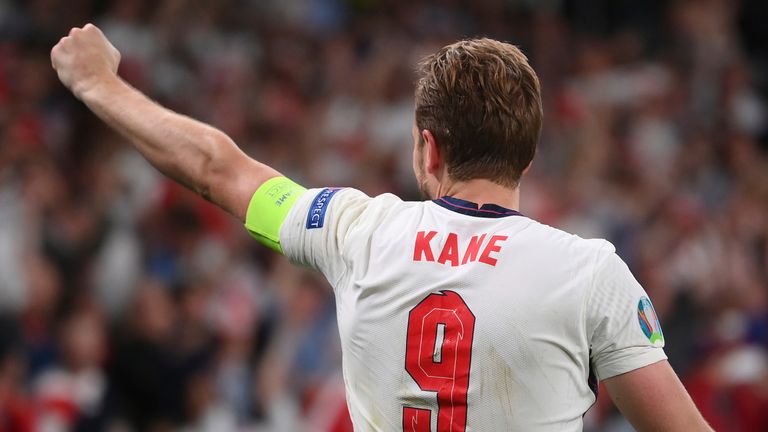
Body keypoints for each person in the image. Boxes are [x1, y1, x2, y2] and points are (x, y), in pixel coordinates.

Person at [50, 24, 713, 431]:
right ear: (528, 159)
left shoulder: (354, 231)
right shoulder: (590, 273)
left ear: (428, 149)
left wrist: (98, 86)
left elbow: (214, 168)